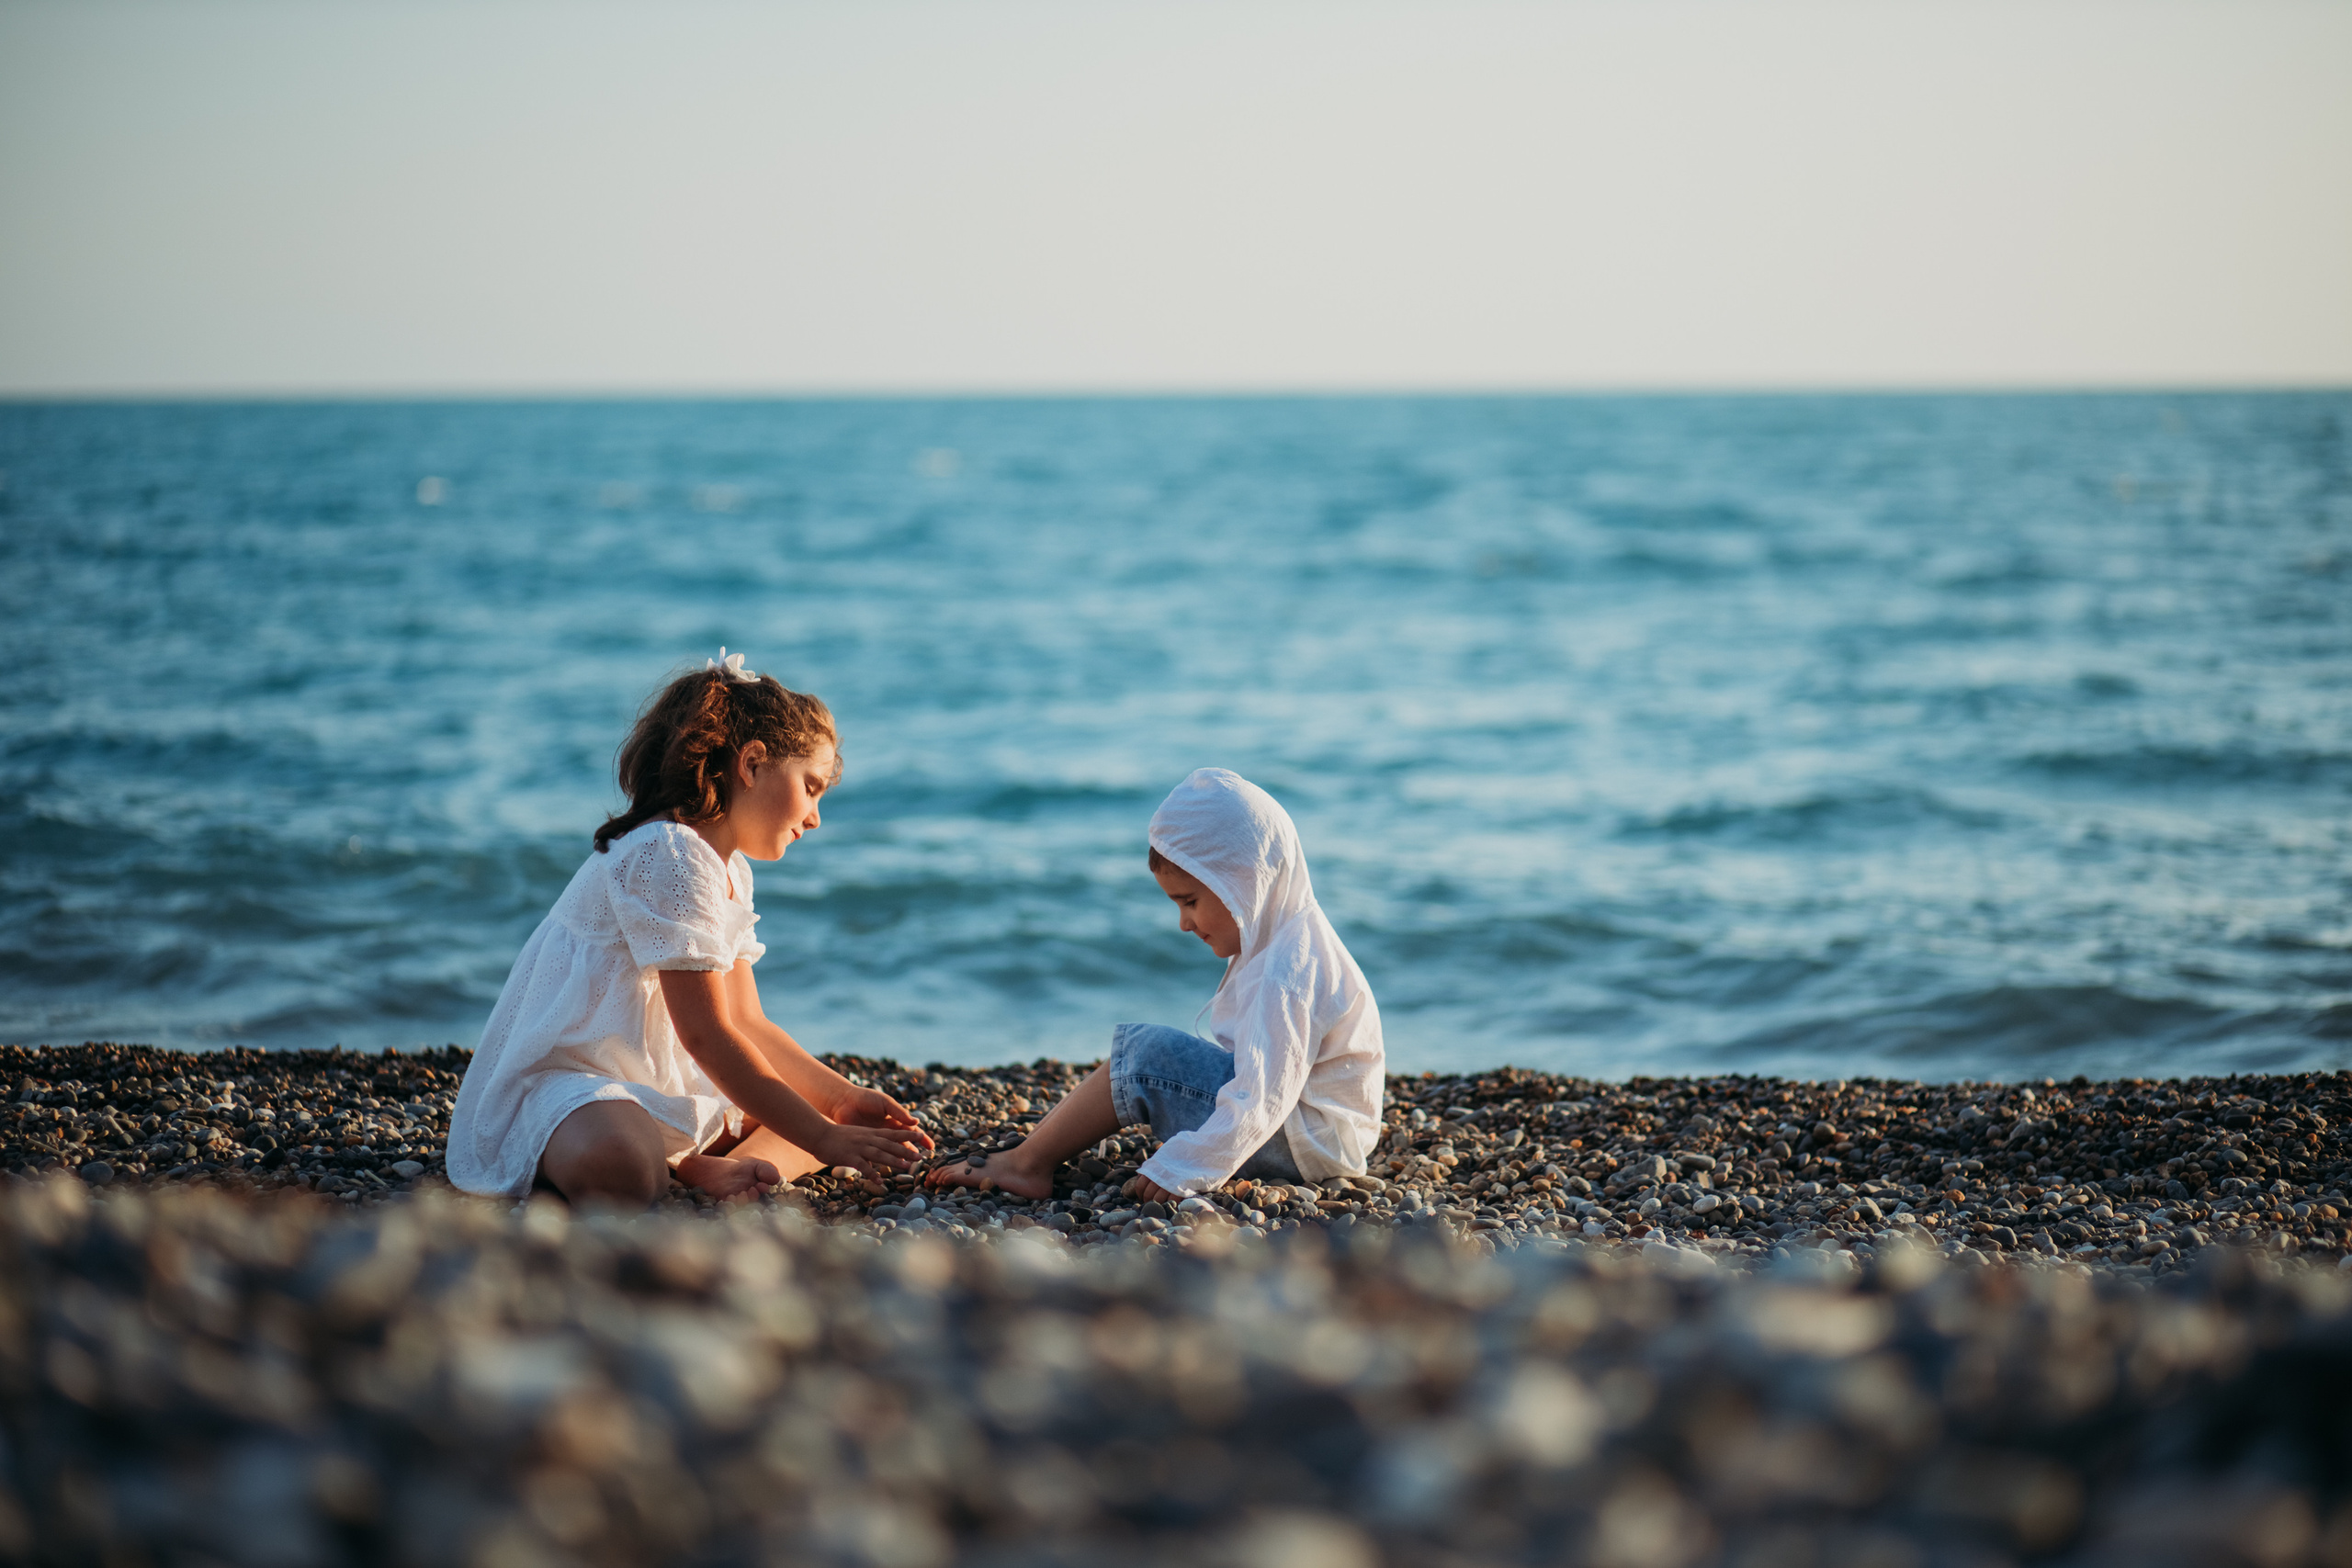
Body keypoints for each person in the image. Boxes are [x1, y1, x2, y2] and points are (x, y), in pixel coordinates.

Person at [447, 651, 932, 1207]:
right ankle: (671, 1163)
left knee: (824, 1113)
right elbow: (705, 1033)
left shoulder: (729, 868)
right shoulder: (669, 851)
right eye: (811, 787)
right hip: (573, 1081)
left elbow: (746, 1021)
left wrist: (840, 1102)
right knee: (627, 1169)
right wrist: (823, 1138)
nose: (816, 817)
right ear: (752, 764)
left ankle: (717, 1168)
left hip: (652, 1077)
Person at [930, 767, 1383, 1203]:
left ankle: (1026, 1164)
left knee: (1146, 1055)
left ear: (1245, 884)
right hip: (1317, 1139)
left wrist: (1185, 1167)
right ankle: (1029, 1150)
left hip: (1300, 1144)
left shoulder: (1287, 968)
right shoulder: (1290, 938)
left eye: (1190, 901)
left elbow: (1264, 1095)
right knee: (1153, 1055)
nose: (1184, 922)